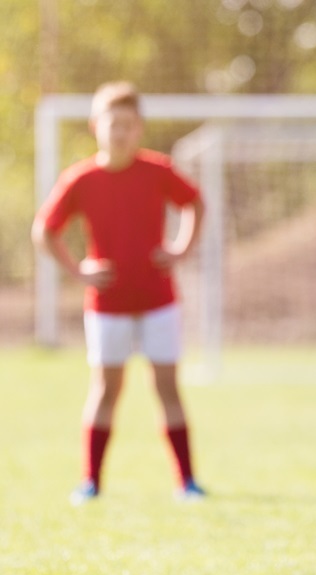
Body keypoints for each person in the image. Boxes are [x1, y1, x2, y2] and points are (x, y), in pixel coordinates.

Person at [31, 81, 206, 504]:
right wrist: (80, 271)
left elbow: (196, 203)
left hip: (158, 300)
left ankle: (186, 482)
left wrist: (181, 248)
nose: (121, 132)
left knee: (167, 388)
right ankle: (90, 481)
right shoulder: (81, 178)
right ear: (96, 126)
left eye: (129, 125)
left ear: (139, 128)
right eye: (113, 124)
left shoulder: (158, 170)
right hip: (107, 305)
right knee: (106, 390)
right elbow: (44, 231)